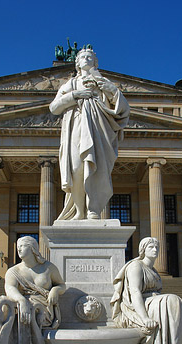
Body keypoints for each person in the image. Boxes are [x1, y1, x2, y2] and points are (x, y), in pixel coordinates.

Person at [49, 48, 130, 220]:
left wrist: (108, 89)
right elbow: (54, 107)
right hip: (76, 128)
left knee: (97, 169)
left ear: (95, 62)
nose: (86, 59)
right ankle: (79, 211)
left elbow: (122, 108)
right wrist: (75, 95)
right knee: (76, 169)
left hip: (99, 130)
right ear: (77, 63)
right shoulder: (70, 84)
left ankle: (93, 209)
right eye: (83, 57)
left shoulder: (103, 82)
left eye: (90, 57)